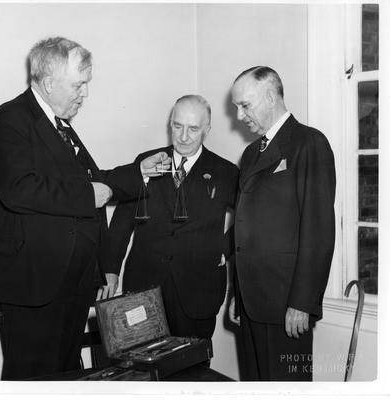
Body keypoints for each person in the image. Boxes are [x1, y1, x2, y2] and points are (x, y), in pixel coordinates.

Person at [0, 36, 170, 380]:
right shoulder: (11, 119)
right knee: (33, 379)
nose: (85, 94)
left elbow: (94, 181)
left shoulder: (59, 125)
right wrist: (86, 194)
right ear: (48, 83)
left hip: (69, 283)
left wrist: (138, 173)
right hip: (33, 284)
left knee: (63, 376)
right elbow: (18, 189)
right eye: (79, 84)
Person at [228, 66, 336, 381]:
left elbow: (319, 230)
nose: (238, 115)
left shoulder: (309, 143)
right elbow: (244, 227)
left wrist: (302, 302)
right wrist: (238, 292)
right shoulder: (250, 154)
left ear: (271, 97)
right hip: (252, 301)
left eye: (244, 105)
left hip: (287, 306)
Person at [101, 95, 238, 340]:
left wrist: (224, 248)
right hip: (145, 286)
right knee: (142, 367)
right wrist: (110, 269)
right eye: (177, 126)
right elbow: (122, 221)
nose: (184, 136)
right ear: (170, 124)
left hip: (198, 292)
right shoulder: (148, 162)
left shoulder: (225, 172)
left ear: (207, 129)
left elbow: (251, 218)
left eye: (193, 128)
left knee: (191, 371)